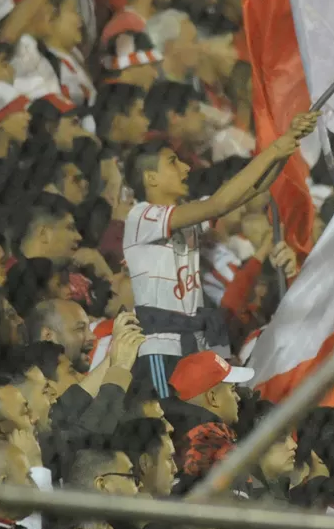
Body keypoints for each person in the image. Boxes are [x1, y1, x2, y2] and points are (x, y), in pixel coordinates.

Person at [122, 109, 318, 394]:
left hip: (194, 340)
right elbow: (219, 204)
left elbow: (252, 189)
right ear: (150, 178)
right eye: (173, 163)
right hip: (160, 347)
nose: (186, 169)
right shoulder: (142, 216)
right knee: (173, 421)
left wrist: (287, 147)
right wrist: (276, 147)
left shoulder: (183, 218)